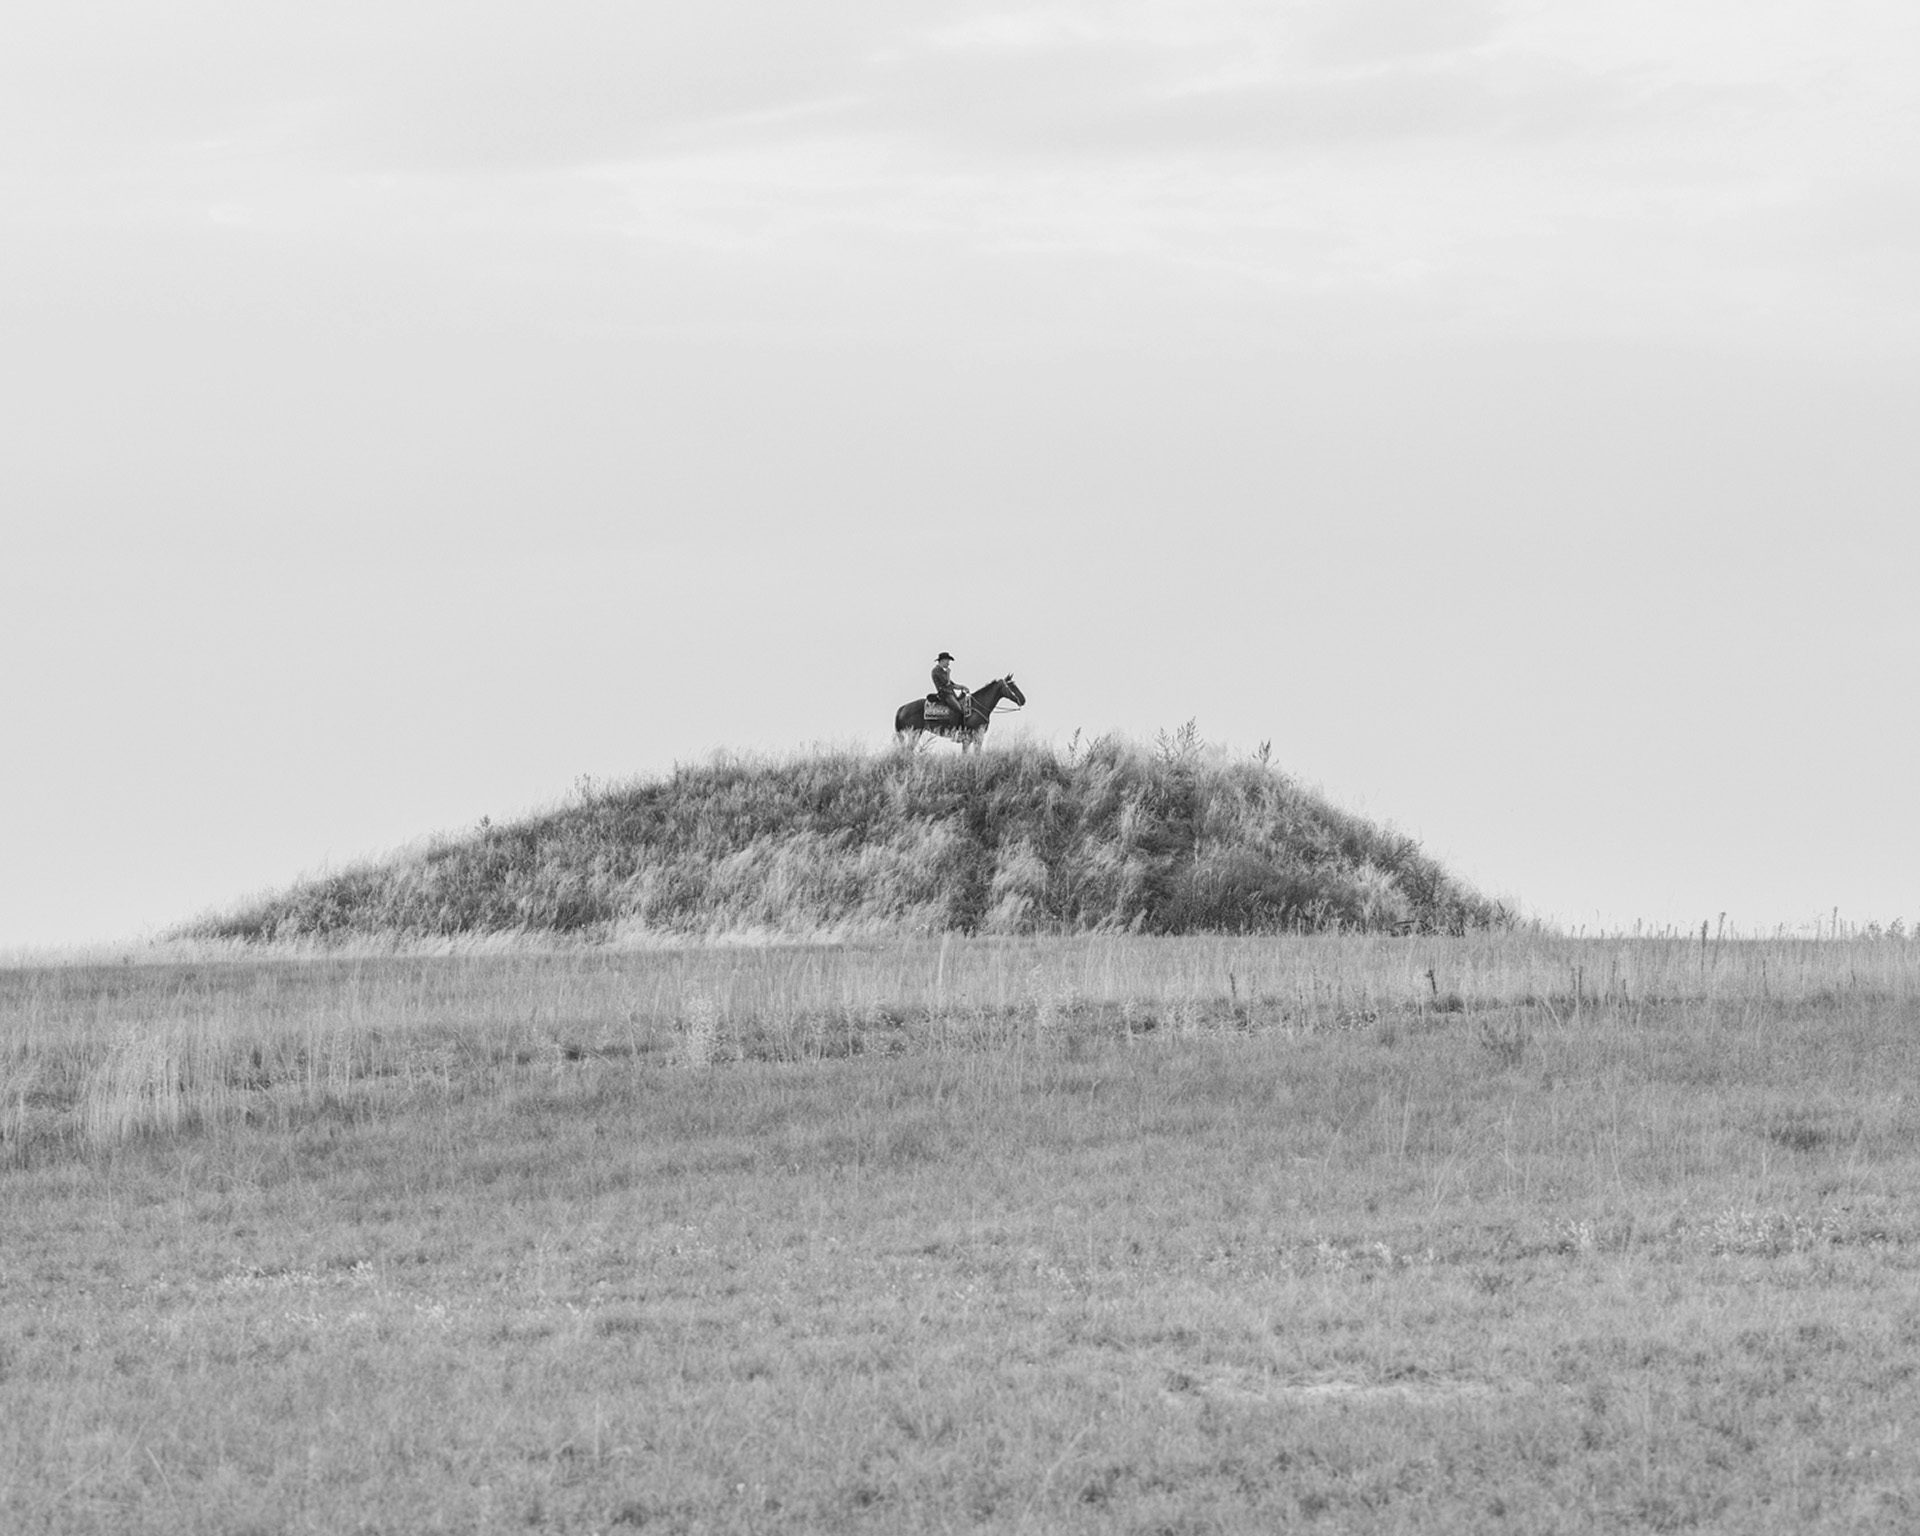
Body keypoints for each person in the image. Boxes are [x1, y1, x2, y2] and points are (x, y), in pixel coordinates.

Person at [931, 651, 971, 724]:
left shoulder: (942, 671)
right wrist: (948, 674)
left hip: (950, 693)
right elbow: (947, 683)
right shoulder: (936, 671)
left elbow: (952, 685)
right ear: (942, 661)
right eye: (947, 661)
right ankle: (960, 728)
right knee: (959, 709)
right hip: (945, 694)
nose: (948, 663)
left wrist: (962, 687)